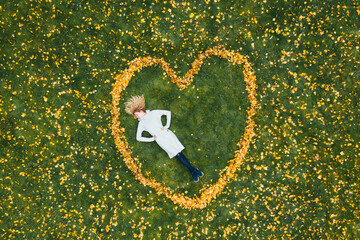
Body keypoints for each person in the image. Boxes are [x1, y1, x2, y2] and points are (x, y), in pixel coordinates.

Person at [125, 95, 204, 182]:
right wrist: (152, 139)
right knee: (176, 154)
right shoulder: (141, 124)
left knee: (179, 151)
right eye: (136, 116)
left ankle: (192, 170)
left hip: (167, 134)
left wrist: (166, 126)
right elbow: (138, 137)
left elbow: (167, 113)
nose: (137, 117)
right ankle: (193, 170)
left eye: (137, 115)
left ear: (140, 111)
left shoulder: (153, 113)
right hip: (160, 140)